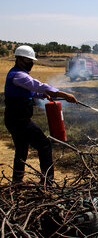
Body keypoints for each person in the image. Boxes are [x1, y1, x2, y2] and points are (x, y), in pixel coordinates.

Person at [4, 45, 78, 185]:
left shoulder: (15, 73)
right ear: (20, 59)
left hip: (13, 119)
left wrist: (41, 95)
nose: (30, 63)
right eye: (28, 60)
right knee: (44, 145)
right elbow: (38, 85)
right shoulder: (19, 75)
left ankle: (17, 182)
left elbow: (32, 91)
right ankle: (47, 183)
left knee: (21, 149)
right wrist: (63, 94)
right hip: (20, 120)